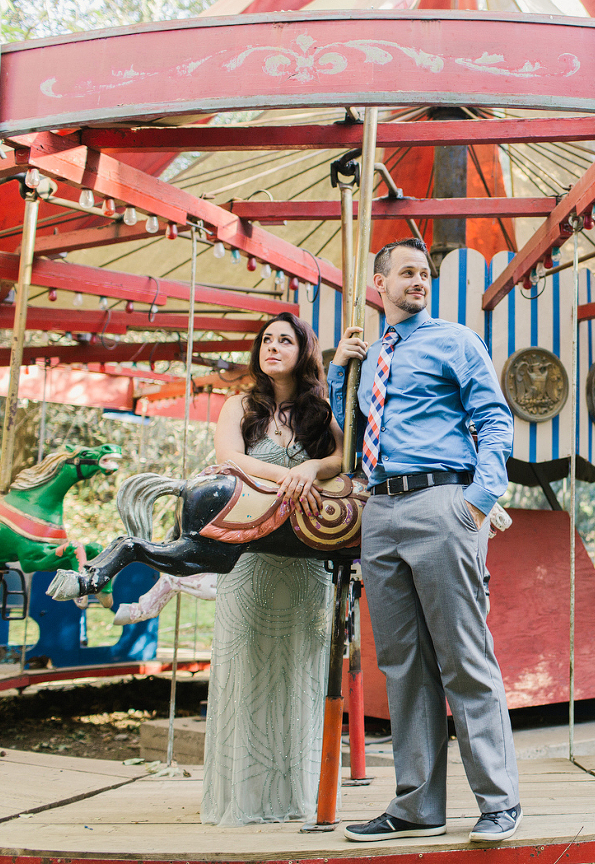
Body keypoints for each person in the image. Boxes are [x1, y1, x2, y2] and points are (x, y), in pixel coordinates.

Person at [328, 237, 521, 844]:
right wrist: (339, 372)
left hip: (443, 501)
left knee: (464, 655)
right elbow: (354, 433)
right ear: (378, 284)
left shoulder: (457, 341)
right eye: (406, 273)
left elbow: (493, 419)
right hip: (380, 508)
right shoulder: (368, 356)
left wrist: (479, 502)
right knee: (402, 663)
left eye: (425, 274)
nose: (419, 281)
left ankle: (498, 802)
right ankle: (417, 805)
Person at [201, 311, 345, 826]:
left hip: (305, 561)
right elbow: (230, 460)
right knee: (248, 668)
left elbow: (344, 458)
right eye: (266, 339)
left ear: (303, 351)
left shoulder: (318, 413)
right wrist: (289, 474)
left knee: (299, 668)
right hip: (250, 554)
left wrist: (312, 466)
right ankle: (245, 797)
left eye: (285, 339)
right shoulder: (238, 405)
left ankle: (295, 795)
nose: (273, 347)